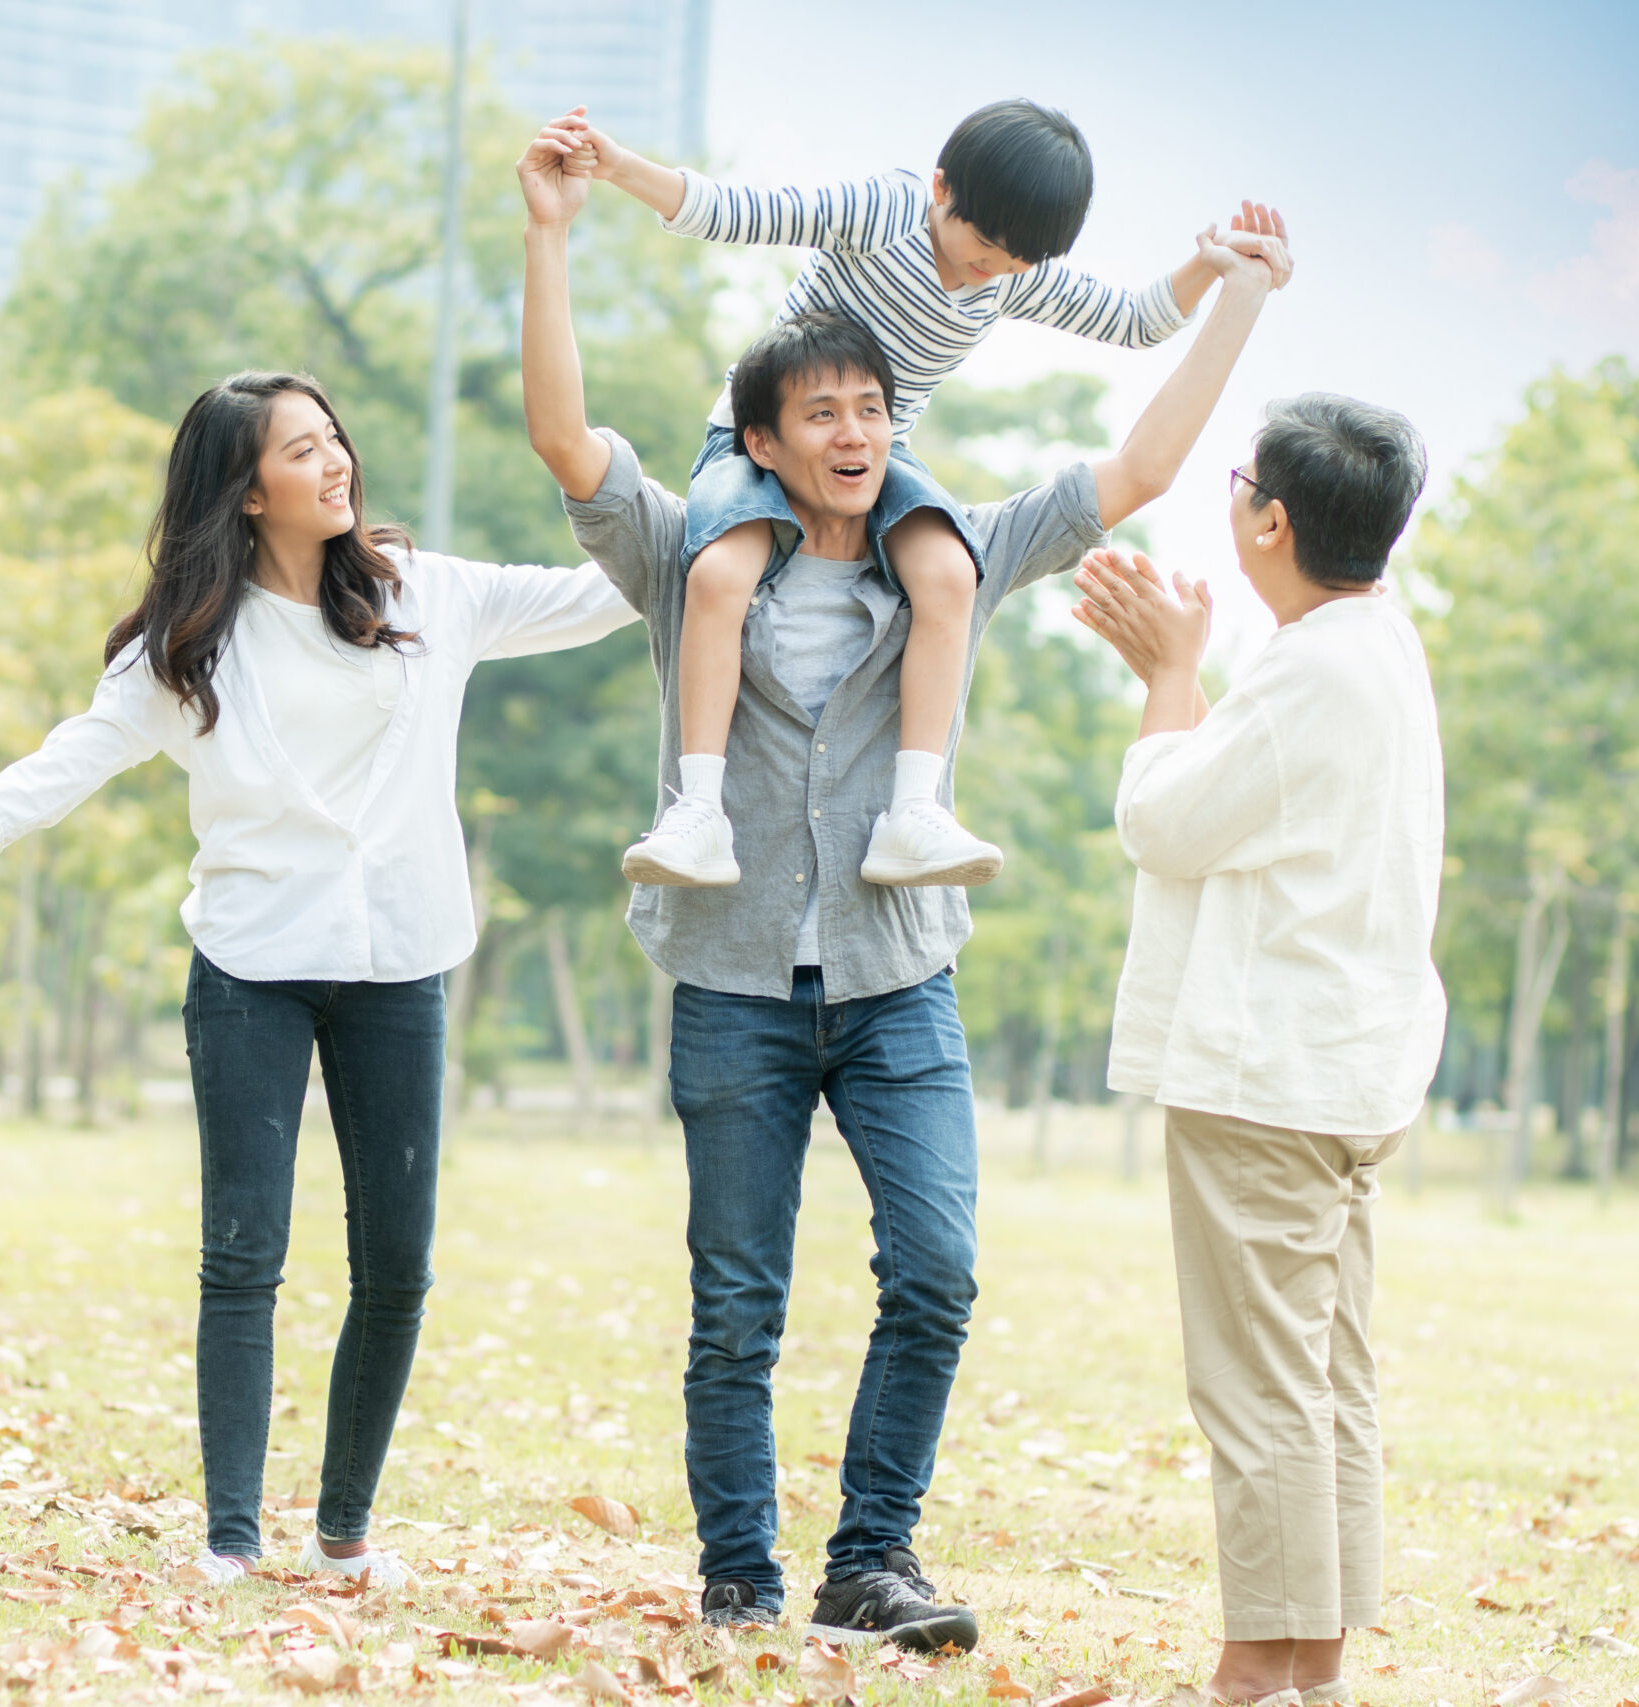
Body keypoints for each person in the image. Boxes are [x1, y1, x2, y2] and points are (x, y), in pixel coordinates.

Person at [514, 118, 1282, 1648]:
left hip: (896, 978)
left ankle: (872, 1560)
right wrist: (554, 233)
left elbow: (1131, 467)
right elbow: (563, 441)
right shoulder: (692, 558)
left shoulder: (952, 553)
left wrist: (1238, 298)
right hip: (734, 982)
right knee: (736, 1304)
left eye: (877, 407)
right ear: (765, 434)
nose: (858, 430)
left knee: (936, 1267)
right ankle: (741, 1578)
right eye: (824, 410)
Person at [0, 372, 636, 1590]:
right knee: (244, 1253)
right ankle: (232, 1536)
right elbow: (42, 779)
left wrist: (742, 494)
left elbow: (611, 592)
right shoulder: (189, 653)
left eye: (336, 435)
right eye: (302, 448)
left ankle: (344, 1534)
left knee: (398, 1265)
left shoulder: (422, 594)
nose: (335, 461)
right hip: (252, 973)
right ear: (244, 491)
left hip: (399, 968)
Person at [559, 98, 1288, 892]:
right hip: (761, 436)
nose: (994, 267)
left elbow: (1137, 321)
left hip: (878, 457)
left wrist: (1214, 267)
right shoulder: (889, 211)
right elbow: (742, 212)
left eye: (1018, 258)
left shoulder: (1010, 279)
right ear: (943, 188)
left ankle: (912, 813)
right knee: (719, 574)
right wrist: (618, 164)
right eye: (985, 243)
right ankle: (697, 809)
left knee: (949, 573)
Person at [1068, 396, 1443, 1706]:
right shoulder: (1372, 644)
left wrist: (1171, 674)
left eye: (1237, 480)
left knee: (1261, 1385)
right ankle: (1308, 1668)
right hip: (1342, 1069)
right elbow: (1254, 795)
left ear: (1271, 517)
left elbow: (1167, 822)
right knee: (1327, 1375)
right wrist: (1190, 675)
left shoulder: (1312, 667)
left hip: (1271, 1075)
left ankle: (1249, 1675)